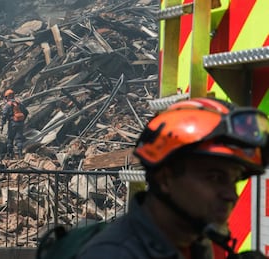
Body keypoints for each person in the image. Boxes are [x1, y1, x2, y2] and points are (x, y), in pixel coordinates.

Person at [77, 97, 268, 259]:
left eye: (234, 180)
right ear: (165, 179)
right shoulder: (114, 253)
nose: (231, 195)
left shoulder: (193, 244)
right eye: (215, 177)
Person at [0, 89, 29, 158]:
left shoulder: (8, 105)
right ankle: (20, 154)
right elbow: (26, 112)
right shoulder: (19, 103)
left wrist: (2, 125)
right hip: (20, 124)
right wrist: (22, 120)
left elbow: (4, 115)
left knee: (10, 139)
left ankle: (9, 155)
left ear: (7, 97)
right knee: (19, 139)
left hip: (12, 123)